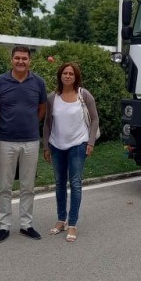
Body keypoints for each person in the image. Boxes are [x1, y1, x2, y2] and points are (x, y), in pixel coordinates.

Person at [0, 46, 47, 243]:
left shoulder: (38, 82)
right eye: (17, 58)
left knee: (27, 186)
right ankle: (4, 225)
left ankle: (26, 224)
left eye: (24, 58)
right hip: (5, 141)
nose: (20, 61)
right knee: (4, 186)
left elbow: (41, 109)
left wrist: (31, 124)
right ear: (11, 60)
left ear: (29, 60)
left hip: (31, 141)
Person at [43, 62, 99, 242]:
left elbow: (95, 119)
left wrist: (90, 142)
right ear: (60, 76)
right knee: (59, 183)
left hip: (78, 144)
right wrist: (46, 146)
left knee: (75, 183)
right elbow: (46, 124)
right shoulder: (53, 97)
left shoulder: (84, 95)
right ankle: (61, 220)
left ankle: (72, 223)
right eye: (65, 73)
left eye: (71, 74)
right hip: (56, 145)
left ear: (76, 77)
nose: (68, 76)